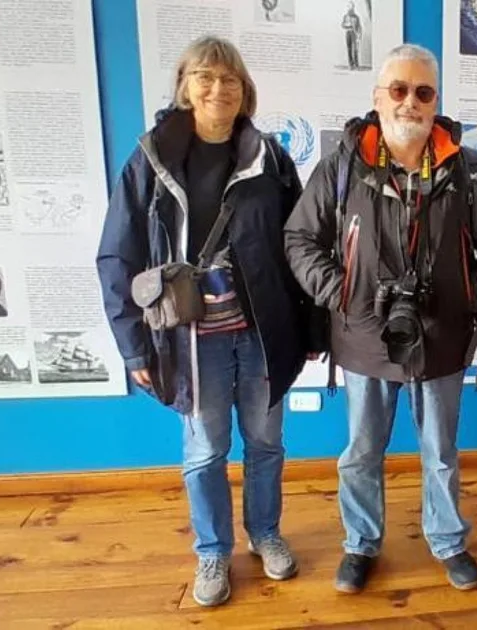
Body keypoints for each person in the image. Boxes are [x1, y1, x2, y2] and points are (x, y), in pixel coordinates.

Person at [95, 35, 324, 608]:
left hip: (262, 335)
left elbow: (299, 244)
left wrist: (313, 329)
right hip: (190, 341)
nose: (217, 89)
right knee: (205, 452)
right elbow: (115, 255)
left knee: (267, 445)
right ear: (185, 86)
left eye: (229, 79)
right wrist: (132, 347)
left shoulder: (269, 157)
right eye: (204, 77)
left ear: (244, 90)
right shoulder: (150, 158)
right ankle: (212, 551)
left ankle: (266, 534)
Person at [284, 43, 477, 594]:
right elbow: (299, 239)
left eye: (423, 92)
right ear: (377, 97)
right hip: (362, 335)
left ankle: (448, 540)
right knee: (361, 451)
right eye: (399, 90)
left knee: (440, 453)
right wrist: (343, 292)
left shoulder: (468, 169)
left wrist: (468, 297)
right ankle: (361, 543)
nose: (410, 102)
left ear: (436, 102)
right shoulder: (342, 167)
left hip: (443, 335)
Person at [342, 3, 363, 70]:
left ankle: (356, 65)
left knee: (355, 50)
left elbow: (359, 27)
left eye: (351, 6)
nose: (350, 8)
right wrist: (346, 25)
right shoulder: (345, 16)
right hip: (348, 33)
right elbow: (342, 25)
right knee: (349, 49)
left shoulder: (356, 17)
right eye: (348, 6)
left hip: (354, 34)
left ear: (353, 7)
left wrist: (359, 36)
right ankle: (350, 65)